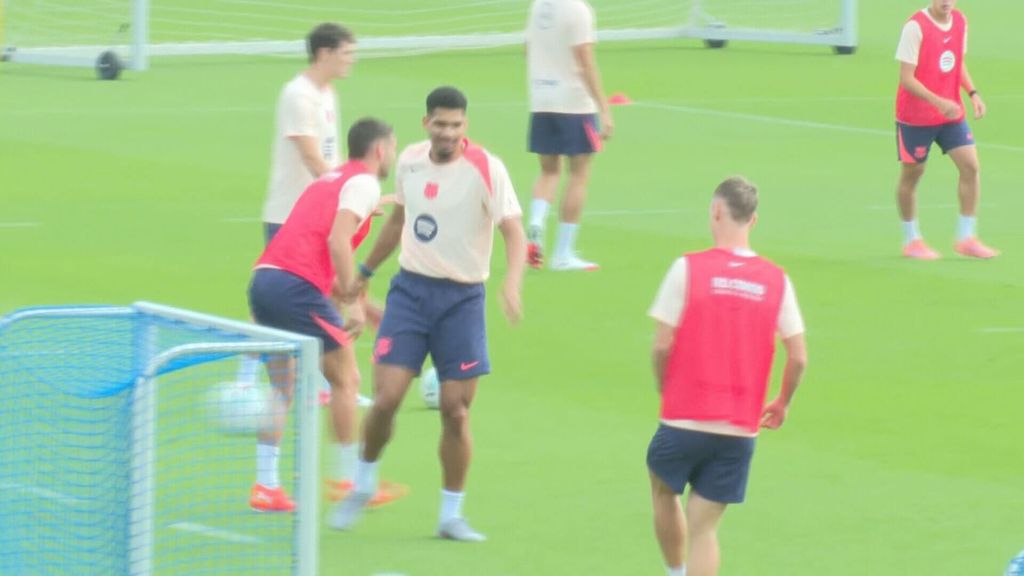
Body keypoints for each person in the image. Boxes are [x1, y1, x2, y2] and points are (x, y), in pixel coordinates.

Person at [329, 86, 527, 541]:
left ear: (465, 126)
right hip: (411, 293)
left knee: (456, 411)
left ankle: (450, 516)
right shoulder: (410, 161)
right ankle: (362, 484)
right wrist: (364, 272)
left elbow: (513, 232)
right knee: (386, 399)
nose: (448, 133)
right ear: (426, 124)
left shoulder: (487, 168)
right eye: (440, 124)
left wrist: (512, 282)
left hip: (463, 300)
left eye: (456, 125)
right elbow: (398, 222)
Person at [646, 177, 808, 576]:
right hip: (739, 426)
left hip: (683, 416)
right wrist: (782, 402)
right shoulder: (776, 279)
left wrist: (665, 385)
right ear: (753, 220)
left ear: (716, 211)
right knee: (705, 529)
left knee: (663, 491)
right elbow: (799, 357)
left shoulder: (687, 268)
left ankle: (674, 572)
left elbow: (661, 346)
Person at [246, 118, 397, 512]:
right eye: (393, 149)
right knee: (346, 379)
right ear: (380, 150)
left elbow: (315, 256)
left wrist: (367, 308)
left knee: (283, 385)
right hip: (294, 288)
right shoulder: (364, 183)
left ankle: (265, 486)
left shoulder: (329, 181)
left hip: (264, 281)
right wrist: (353, 303)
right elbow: (337, 242)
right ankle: (351, 482)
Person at [894, 0, 998, 260]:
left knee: (970, 167)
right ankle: (911, 240)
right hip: (916, 117)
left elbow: (957, 62)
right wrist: (938, 101)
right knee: (913, 174)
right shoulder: (915, 27)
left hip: (950, 114)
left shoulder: (960, 22)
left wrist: (972, 93)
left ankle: (966, 238)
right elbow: (906, 78)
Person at [524, 0, 613, 271]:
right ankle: (563, 254)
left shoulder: (539, 6)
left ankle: (537, 221)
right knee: (579, 174)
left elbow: (527, 49)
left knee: (549, 171)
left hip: (541, 99)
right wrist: (604, 107)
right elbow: (585, 62)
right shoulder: (579, 10)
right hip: (574, 103)